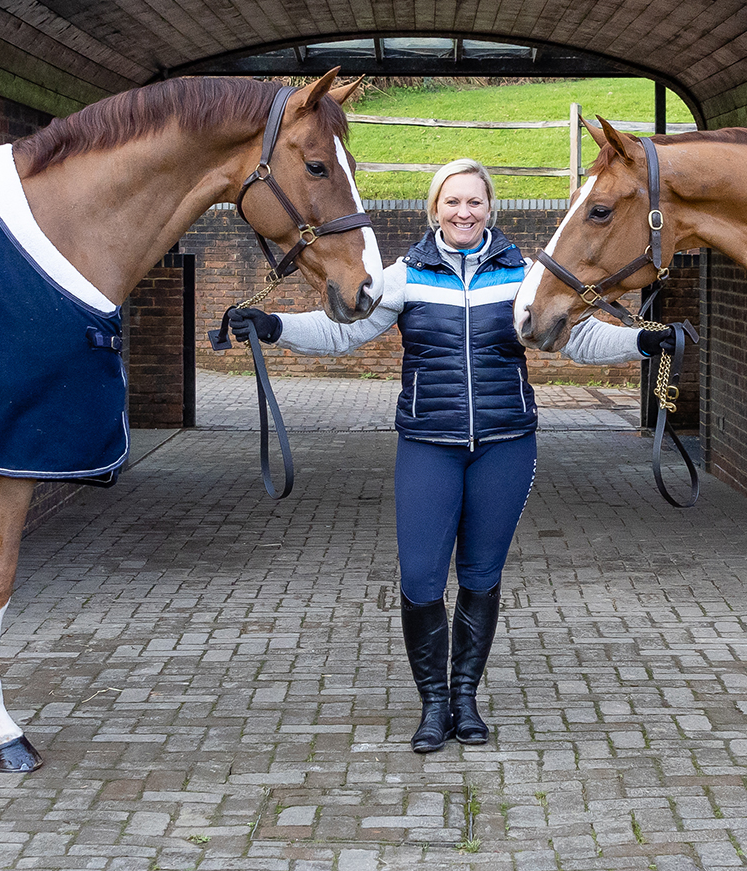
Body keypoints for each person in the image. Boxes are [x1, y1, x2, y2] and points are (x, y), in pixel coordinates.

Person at [229, 158, 674, 752]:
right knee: (419, 580)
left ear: (491, 208)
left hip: (506, 445)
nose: (464, 212)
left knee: (482, 577)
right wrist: (273, 326)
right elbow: (344, 332)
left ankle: (464, 699)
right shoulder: (404, 275)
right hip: (428, 445)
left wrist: (643, 341)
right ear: (434, 209)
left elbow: (577, 339)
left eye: (475, 202)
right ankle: (432, 706)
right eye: (452, 202)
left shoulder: (522, 276)